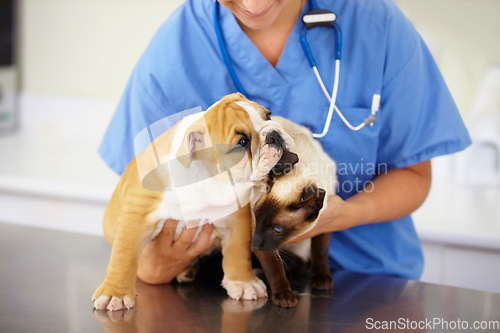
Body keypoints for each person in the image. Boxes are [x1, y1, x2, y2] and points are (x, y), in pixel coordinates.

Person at [99, 0, 471, 284]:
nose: (255, 5)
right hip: (219, 288)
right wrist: (152, 266)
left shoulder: (376, 24)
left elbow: (415, 176)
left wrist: (346, 216)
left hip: (366, 280)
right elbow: (135, 204)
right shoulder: (175, 50)